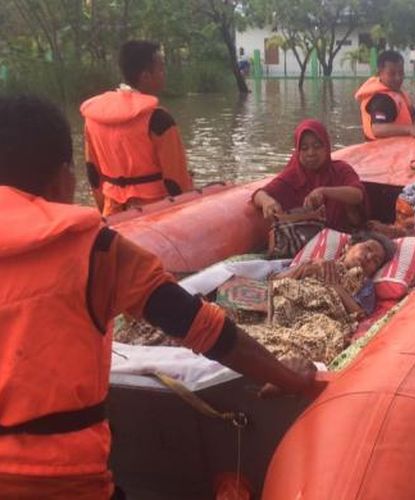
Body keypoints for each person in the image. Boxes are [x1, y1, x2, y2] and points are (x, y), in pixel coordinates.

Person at [0, 95, 315, 499]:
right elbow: (204, 329)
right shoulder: (96, 250)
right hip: (65, 482)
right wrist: (291, 377)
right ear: (63, 179)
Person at [242, 231, 396, 363]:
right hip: (282, 299)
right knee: (242, 297)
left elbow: (360, 314)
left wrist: (336, 287)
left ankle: (275, 359)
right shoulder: (317, 263)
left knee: (325, 339)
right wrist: (303, 269)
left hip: (320, 317)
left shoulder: (365, 284)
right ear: (349, 245)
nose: (369, 257)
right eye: (367, 248)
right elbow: (273, 281)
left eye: (375, 260)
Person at [80, 40, 193, 217]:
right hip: (156, 212)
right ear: (146, 76)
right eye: (161, 69)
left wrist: (103, 215)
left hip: (113, 211)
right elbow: (176, 181)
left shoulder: (93, 118)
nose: (165, 74)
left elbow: (93, 174)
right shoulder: (159, 120)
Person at [252, 119, 367, 232]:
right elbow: (259, 194)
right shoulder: (292, 175)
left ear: (326, 148)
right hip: (305, 240)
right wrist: (266, 201)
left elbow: (357, 194)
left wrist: (324, 191)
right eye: (304, 148)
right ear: (298, 151)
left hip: (343, 237)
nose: (311, 153)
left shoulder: (341, 169)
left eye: (317, 146)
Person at [354, 50, 415, 140]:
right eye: (392, 74)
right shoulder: (381, 100)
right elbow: (377, 129)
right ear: (379, 74)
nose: (398, 78)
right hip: (381, 148)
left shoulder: (397, 92)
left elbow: (413, 112)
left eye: (401, 73)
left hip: (400, 144)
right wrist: (410, 129)